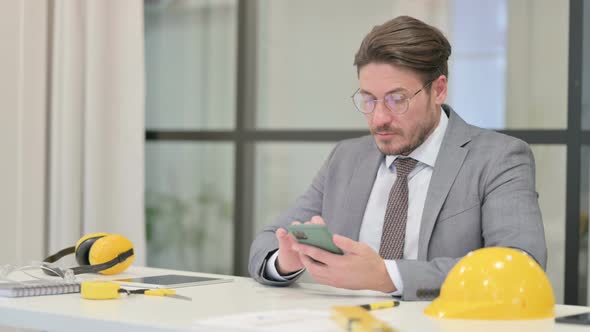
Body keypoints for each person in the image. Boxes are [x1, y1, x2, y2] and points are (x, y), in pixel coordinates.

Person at [248, 15, 547, 301]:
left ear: (439, 90)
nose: (379, 118)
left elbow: (520, 267)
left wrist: (388, 276)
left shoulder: (498, 158)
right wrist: (286, 260)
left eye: (397, 99)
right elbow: (269, 240)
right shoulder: (347, 157)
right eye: (368, 99)